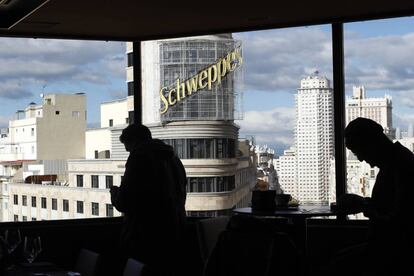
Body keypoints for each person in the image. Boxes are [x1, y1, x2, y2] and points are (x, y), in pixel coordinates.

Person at [333, 117, 414, 276]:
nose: (361, 159)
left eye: (359, 151)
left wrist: (366, 207)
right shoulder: (397, 162)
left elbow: (399, 220)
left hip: (393, 253)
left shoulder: (400, 166)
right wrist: (363, 203)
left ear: (371, 143)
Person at [110, 124, 187, 276]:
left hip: (145, 236)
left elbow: (125, 202)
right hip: (175, 231)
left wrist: (115, 194)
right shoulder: (174, 159)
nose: (127, 151)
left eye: (128, 146)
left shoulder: (140, 157)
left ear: (135, 141)